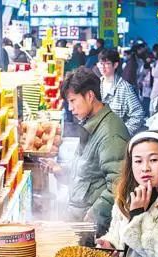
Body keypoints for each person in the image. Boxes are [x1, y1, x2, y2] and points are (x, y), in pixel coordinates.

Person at [53, 67, 129, 235]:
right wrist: (62, 171)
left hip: (93, 228)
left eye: (73, 101)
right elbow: (88, 172)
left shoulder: (110, 133)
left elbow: (118, 184)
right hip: (79, 219)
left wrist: (93, 215)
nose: (70, 108)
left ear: (89, 96)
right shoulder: (91, 124)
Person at [97, 49, 145, 136]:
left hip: (115, 139)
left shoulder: (125, 88)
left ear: (115, 65)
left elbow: (138, 115)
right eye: (101, 63)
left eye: (107, 64)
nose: (103, 67)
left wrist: (122, 133)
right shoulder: (96, 84)